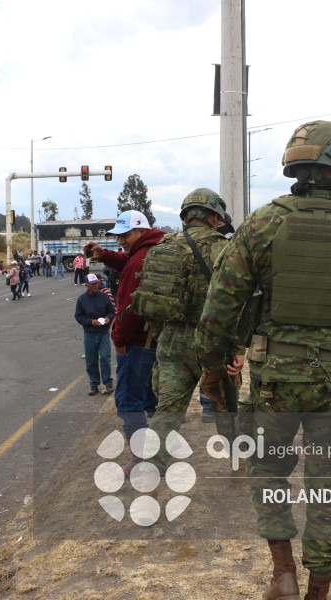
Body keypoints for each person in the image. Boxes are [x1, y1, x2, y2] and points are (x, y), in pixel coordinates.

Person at [195, 121, 331, 600]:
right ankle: (318, 590)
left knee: (267, 472)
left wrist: (213, 370)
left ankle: (282, 571)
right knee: (329, 488)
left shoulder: (261, 223)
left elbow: (219, 307)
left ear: (295, 166)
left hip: (275, 380)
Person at [143, 189, 238, 476]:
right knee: (225, 407)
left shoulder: (162, 246)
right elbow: (235, 303)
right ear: (214, 217)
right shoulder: (222, 248)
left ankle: (153, 468)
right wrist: (240, 350)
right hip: (212, 345)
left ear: (185, 217)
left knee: (167, 410)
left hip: (172, 342)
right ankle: (236, 463)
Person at [86, 210, 165, 468]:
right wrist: (105, 255)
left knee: (128, 400)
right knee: (151, 397)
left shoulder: (138, 260)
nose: (121, 241)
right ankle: (161, 445)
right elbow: (130, 260)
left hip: (137, 343)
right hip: (157, 340)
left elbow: (130, 308)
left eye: (126, 235)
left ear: (141, 231)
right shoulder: (155, 250)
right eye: (118, 237)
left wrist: (118, 338)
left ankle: (142, 457)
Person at [74, 273, 115, 395]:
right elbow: (78, 316)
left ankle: (108, 383)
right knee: (91, 360)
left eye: (96, 283)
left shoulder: (104, 296)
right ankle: (94, 384)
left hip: (103, 333)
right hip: (90, 334)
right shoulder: (82, 299)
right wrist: (91, 322)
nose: (96, 286)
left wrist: (108, 318)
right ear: (87, 285)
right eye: (92, 284)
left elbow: (111, 311)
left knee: (105, 358)